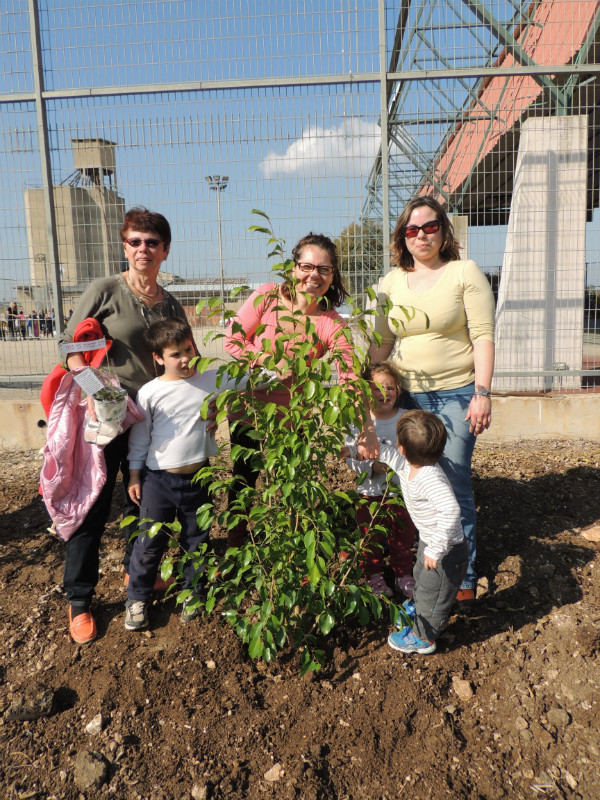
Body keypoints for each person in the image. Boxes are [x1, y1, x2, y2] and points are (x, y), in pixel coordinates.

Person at [58, 207, 191, 645]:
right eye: (134, 241)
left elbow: (184, 356)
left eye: (152, 243)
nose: (142, 249)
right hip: (107, 416)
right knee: (93, 506)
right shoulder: (106, 290)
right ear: (124, 245)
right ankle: (80, 601)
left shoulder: (169, 302)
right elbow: (70, 349)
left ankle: (140, 575)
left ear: (165, 250)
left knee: (143, 504)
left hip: (152, 420)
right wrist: (100, 392)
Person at [369, 196, 495, 604]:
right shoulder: (390, 282)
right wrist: (365, 390)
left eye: (429, 227)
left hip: (456, 393)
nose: (421, 235)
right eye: (411, 229)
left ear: (443, 231)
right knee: (410, 481)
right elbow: (382, 343)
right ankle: (416, 563)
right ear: (401, 236)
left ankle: (462, 576)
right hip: (407, 396)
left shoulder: (464, 272)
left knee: (454, 480)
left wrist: (482, 392)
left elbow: (483, 336)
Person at [124, 319, 273, 630]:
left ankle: (193, 592)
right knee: (150, 542)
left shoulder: (212, 379)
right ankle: (137, 598)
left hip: (200, 478)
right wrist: (135, 476)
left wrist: (278, 368)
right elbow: (139, 439)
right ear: (159, 358)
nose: (185, 358)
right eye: (176, 354)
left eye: (189, 349)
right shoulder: (150, 393)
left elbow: (249, 380)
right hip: (157, 479)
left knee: (198, 540)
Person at [223, 232, 364, 546]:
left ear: (332, 276)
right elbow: (232, 340)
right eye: (307, 266)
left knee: (290, 477)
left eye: (324, 269)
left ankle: (287, 542)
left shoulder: (330, 323)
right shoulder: (267, 296)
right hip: (249, 408)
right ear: (293, 267)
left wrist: (358, 421)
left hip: (292, 414)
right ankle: (234, 542)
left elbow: (349, 373)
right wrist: (265, 362)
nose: (314, 274)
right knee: (244, 473)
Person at [343, 409, 468, 654]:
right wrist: (353, 452)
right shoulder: (407, 463)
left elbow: (452, 512)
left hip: (446, 550)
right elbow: (383, 452)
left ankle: (424, 637)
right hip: (430, 542)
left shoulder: (430, 478)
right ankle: (419, 609)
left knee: (436, 591)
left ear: (402, 446)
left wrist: (436, 549)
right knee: (421, 577)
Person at [344, 362, 416, 598]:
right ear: (365, 393)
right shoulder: (359, 423)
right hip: (369, 493)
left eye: (390, 388)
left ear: (399, 391)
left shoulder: (407, 420)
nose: (384, 394)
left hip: (402, 494)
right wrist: (370, 466)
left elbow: (417, 451)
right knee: (371, 536)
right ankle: (373, 574)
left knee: (403, 537)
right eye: (376, 388)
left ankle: (403, 573)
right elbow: (350, 456)